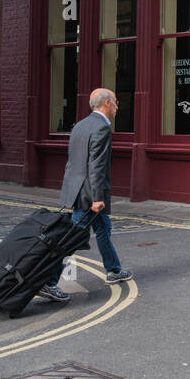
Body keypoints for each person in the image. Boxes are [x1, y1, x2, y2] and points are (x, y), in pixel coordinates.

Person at [38, 88, 132, 302]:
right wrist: (97, 198)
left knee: (103, 228)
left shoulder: (80, 125)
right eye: (116, 102)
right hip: (89, 195)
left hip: (77, 190)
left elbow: (73, 162)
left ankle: (113, 269)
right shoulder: (101, 128)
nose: (118, 107)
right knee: (71, 239)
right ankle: (49, 282)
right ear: (106, 103)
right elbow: (96, 166)